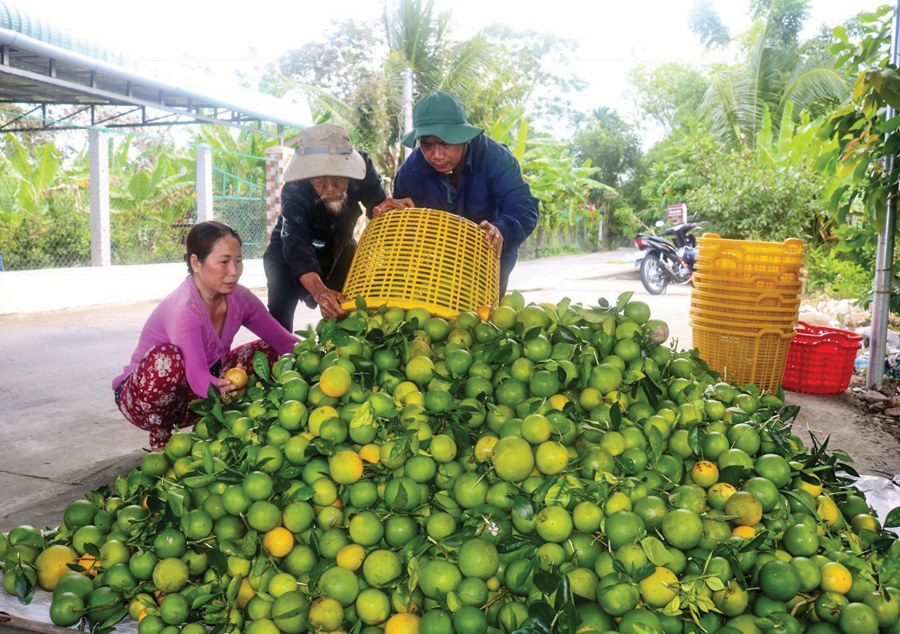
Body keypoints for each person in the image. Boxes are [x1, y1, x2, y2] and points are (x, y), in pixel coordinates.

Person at [113, 221, 298, 448]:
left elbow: (284, 341)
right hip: (144, 400)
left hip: (200, 392)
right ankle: (161, 441)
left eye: (238, 261)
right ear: (196, 262)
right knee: (166, 359)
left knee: (269, 352)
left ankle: (219, 427)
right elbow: (197, 375)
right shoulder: (185, 309)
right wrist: (226, 390)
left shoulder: (240, 298)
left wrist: (319, 353)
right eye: (223, 262)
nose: (233, 271)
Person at [386, 91, 540, 295]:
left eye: (446, 143)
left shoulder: (495, 157)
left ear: (465, 138)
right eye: (427, 145)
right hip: (438, 265)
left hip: (491, 257)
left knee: (485, 315)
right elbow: (402, 237)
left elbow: (524, 207)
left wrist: (502, 230)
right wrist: (394, 218)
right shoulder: (409, 174)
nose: (437, 156)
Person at [263, 123, 408, 330]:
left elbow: (377, 206)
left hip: (341, 247)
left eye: (340, 178)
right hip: (289, 252)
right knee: (279, 320)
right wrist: (320, 292)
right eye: (319, 180)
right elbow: (296, 243)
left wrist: (387, 211)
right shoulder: (295, 188)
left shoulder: (362, 168)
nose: (330, 189)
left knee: (347, 313)